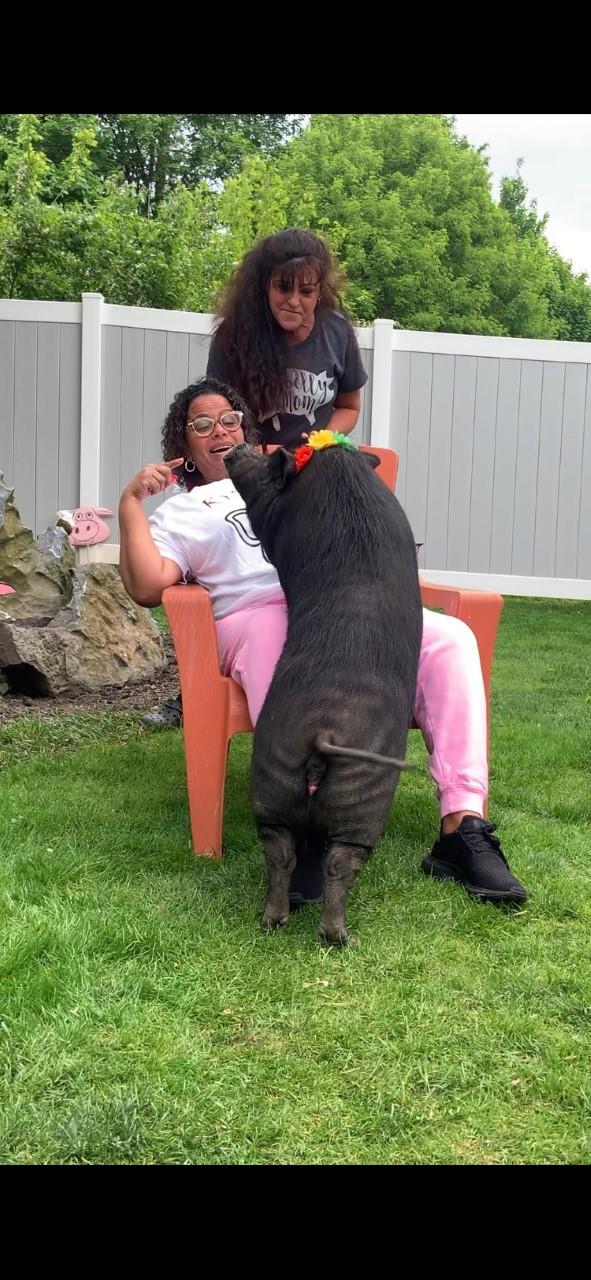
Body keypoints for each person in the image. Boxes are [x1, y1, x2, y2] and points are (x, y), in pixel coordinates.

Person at [121, 375, 528, 908]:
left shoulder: (290, 474)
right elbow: (149, 586)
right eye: (202, 424)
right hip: (256, 612)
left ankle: (463, 826)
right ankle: (307, 822)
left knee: (450, 637)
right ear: (184, 445)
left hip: (339, 602)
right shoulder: (182, 510)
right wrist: (131, 503)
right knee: (275, 636)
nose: (219, 430)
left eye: (229, 419)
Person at [143, 227, 366, 729]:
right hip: (242, 470)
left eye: (307, 290)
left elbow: (349, 407)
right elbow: (217, 409)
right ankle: (195, 686)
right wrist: (247, 454)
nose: (295, 300)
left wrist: (316, 444)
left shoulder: (335, 331)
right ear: (263, 286)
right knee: (220, 569)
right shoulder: (235, 338)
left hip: (311, 468)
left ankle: (325, 667)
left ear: (320, 289)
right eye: (283, 288)